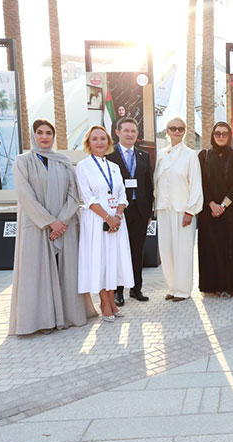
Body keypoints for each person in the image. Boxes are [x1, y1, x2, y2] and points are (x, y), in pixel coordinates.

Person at [9, 119, 96, 335]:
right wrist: (50, 222)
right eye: (40, 132)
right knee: (37, 274)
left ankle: (69, 315)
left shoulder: (63, 161)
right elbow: (25, 196)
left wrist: (63, 221)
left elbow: (73, 194)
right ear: (33, 135)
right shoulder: (23, 161)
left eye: (49, 133)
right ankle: (42, 320)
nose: (45, 136)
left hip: (65, 226)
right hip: (37, 226)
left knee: (66, 271)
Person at [76, 125, 133, 322]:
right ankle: (104, 302)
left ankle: (113, 300)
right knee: (99, 260)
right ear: (88, 143)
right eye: (95, 139)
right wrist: (107, 218)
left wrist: (117, 215)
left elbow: (122, 195)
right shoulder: (83, 167)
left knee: (112, 261)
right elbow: (88, 198)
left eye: (102, 138)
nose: (99, 142)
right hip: (96, 221)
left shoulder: (114, 167)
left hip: (117, 222)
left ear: (108, 142)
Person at [154, 117, 203, 302]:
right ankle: (172, 287)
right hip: (163, 208)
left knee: (182, 251)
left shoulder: (190, 155)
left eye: (180, 128)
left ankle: (183, 290)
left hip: (183, 211)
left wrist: (190, 211)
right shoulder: (161, 154)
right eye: (172, 128)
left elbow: (196, 184)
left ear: (184, 131)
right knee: (166, 250)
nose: (176, 131)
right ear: (167, 131)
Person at [197, 122, 233, 297]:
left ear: (229, 136)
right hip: (208, 211)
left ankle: (231, 286)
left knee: (230, 249)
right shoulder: (203, 156)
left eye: (224, 134)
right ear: (212, 135)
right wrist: (212, 204)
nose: (220, 136)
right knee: (211, 249)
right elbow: (201, 183)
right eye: (217, 133)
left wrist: (223, 205)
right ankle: (212, 286)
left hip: (230, 211)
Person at [107, 117, 154, 305]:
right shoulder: (110, 156)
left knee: (137, 251)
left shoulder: (144, 156)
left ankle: (136, 289)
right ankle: (118, 292)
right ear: (118, 133)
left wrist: (149, 212)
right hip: (119, 211)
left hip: (140, 211)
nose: (130, 134)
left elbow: (148, 185)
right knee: (118, 252)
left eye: (133, 131)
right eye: (126, 130)